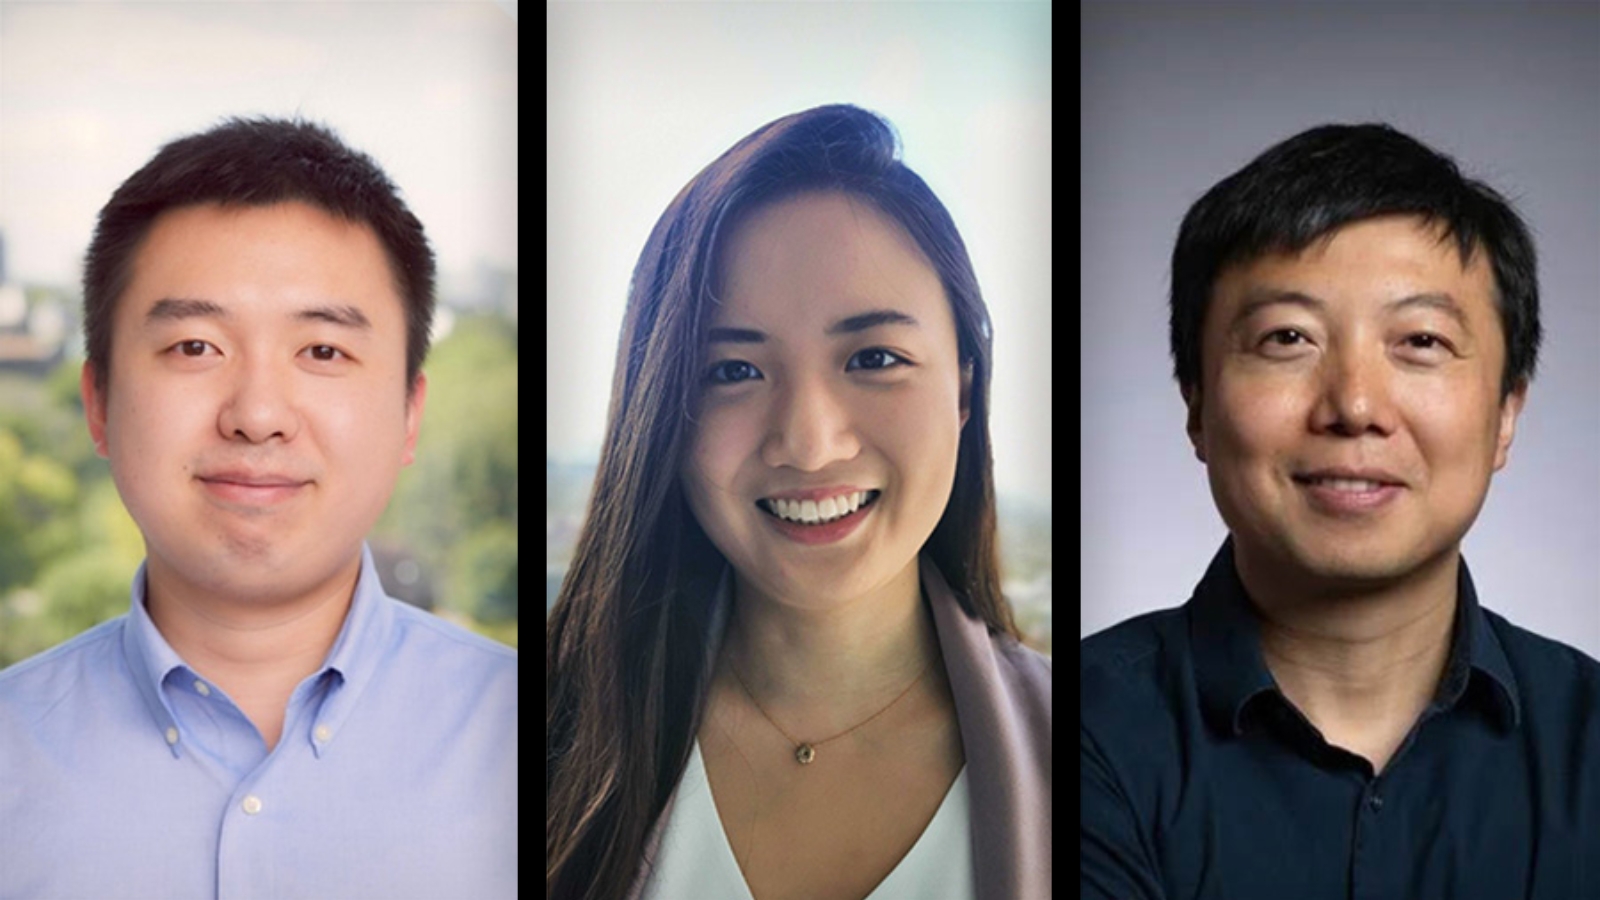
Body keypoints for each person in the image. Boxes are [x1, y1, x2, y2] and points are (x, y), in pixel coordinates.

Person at [0, 117, 517, 899]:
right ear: (98, 402)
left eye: (322, 351)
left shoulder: (544, 744)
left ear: (410, 414)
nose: (257, 413)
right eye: (195, 347)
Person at [1081, 122, 1600, 899]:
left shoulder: (1589, 747)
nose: (1355, 405)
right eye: (1287, 338)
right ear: (1196, 407)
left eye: (1421, 341)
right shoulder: (1075, 732)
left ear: (1505, 417)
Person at [546, 104, 1052, 900]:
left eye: (875, 357)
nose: (810, 444)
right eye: (733, 371)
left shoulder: (1102, 756)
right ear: (662, 415)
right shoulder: (532, 738)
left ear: (963, 385)